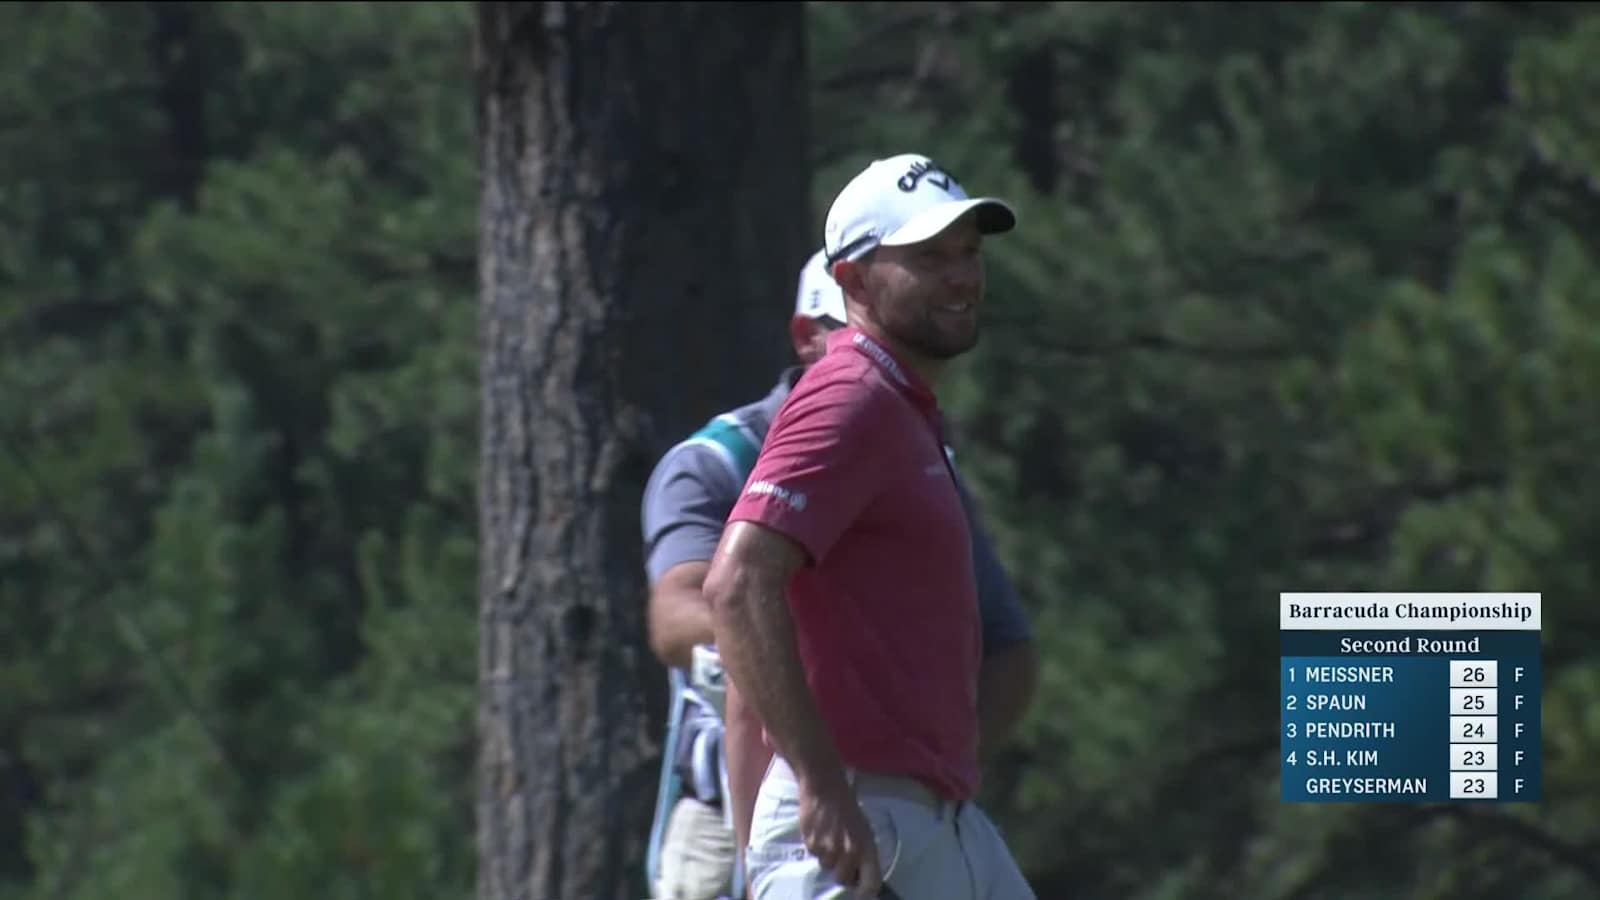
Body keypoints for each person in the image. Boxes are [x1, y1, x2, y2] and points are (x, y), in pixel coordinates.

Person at [642, 245, 1038, 900]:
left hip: (894, 802)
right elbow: (693, 612)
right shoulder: (718, 462)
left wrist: (928, 765)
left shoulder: (915, 450)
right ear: (811, 336)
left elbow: (1009, 652)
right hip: (732, 796)